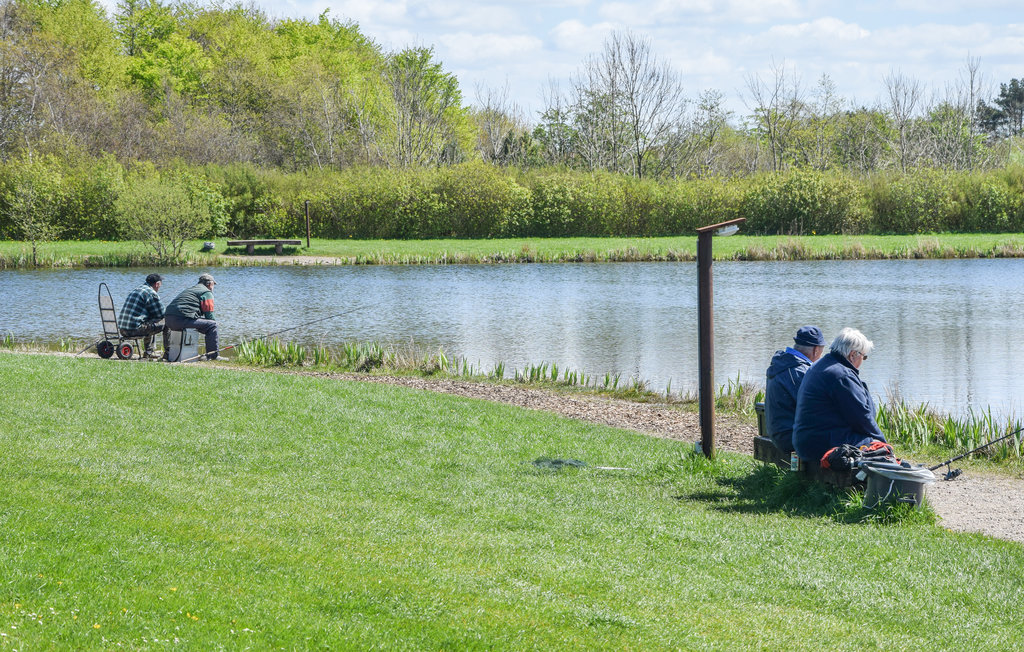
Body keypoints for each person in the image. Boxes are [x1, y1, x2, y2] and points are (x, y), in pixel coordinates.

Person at [792, 327, 887, 465]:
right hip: (819, 445)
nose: (862, 361)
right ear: (853, 354)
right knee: (878, 448)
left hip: (806, 441)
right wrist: (881, 442)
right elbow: (862, 417)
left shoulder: (822, 364)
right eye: (864, 357)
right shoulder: (841, 376)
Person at [764, 325, 825, 453]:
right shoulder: (799, 371)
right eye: (821, 351)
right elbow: (817, 408)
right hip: (789, 438)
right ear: (816, 350)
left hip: (778, 432)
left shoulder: (782, 363)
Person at [164, 273, 219, 360]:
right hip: (181, 320)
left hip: (168, 320)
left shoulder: (191, 289)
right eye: (213, 285)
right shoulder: (206, 292)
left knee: (206, 324)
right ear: (209, 284)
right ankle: (213, 356)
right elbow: (209, 315)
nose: (213, 287)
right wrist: (211, 326)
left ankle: (167, 354)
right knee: (212, 325)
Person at [117, 273, 166, 359]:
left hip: (122, 330)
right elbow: (161, 314)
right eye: (160, 285)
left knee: (151, 320)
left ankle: (149, 352)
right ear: (157, 284)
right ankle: (168, 353)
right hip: (134, 330)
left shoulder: (137, 289)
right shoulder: (151, 293)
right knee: (167, 322)